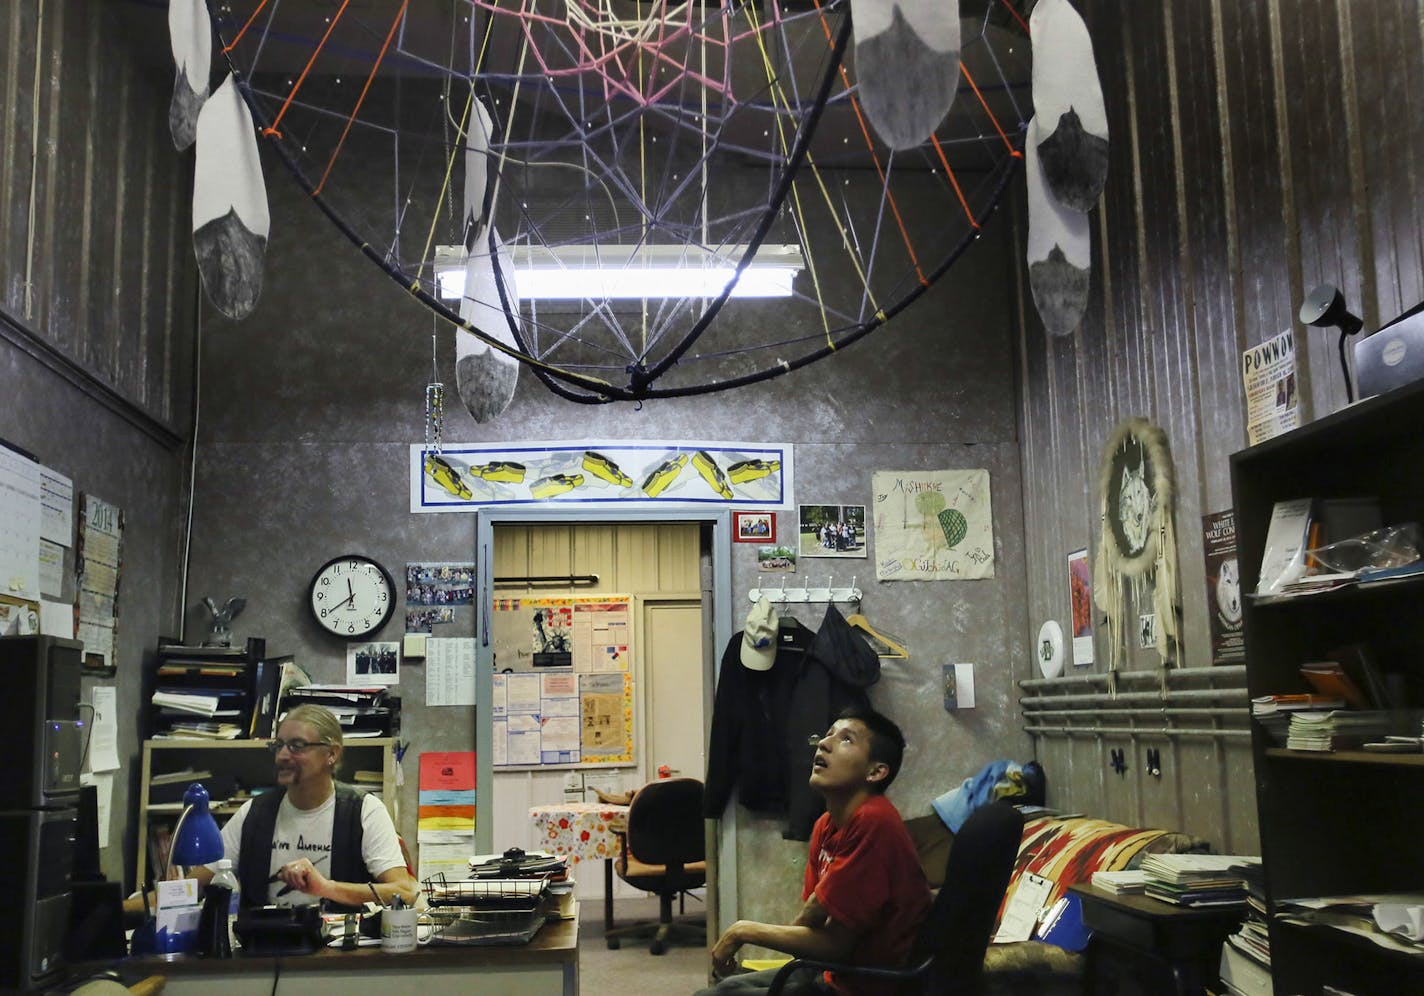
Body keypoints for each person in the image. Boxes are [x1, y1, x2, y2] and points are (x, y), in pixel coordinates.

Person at [697, 706, 931, 996]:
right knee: (725, 988)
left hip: (867, 985)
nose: (823, 743)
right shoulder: (825, 824)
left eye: (846, 739)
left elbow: (836, 945)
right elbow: (814, 919)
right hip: (834, 972)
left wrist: (742, 931)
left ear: (876, 771)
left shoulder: (875, 820)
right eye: (828, 735)